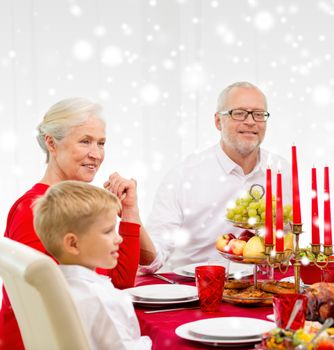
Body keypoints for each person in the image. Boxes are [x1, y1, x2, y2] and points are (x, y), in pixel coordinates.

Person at [1, 98, 155, 349]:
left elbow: (120, 280)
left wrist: (129, 210)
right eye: (85, 141)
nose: (96, 154)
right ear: (51, 142)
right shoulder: (38, 210)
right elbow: (49, 306)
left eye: (101, 143)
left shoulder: (80, 205)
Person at [141, 81, 290, 271]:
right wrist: (132, 218)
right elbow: (154, 256)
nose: (251, 121)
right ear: (218, 121)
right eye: (239, 113)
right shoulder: (184, 175)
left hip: (259, 290)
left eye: (259, 114)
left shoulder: (280, 170)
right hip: (195, 288)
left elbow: (286, 243)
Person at [33, 181, 151, 349]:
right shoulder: (105, 300)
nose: (119, 239)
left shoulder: (51, 290)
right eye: (108, 231)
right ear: (73, 243)